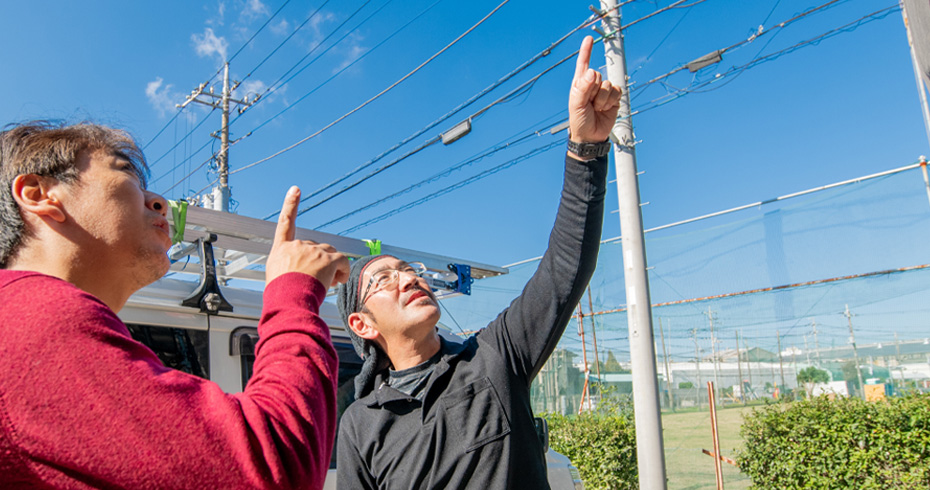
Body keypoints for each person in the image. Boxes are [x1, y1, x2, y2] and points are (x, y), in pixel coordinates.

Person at [335, 35, 622, 489]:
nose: (406, 278)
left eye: (408, 270)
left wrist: (586, 149)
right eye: (383, 279)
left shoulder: (493, 358)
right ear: (363, 324)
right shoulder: (360, 425)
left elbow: (565, 268)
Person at [0, 121, 349, 489]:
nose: (159, 202)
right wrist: (294, 289)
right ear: (39, 194)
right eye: (125, 173)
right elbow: (273, 468)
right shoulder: (33, 318)